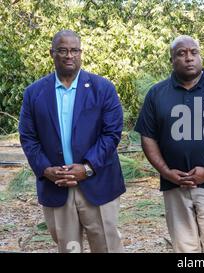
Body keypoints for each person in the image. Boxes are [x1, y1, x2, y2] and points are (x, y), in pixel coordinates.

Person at [134, 35, 204, 253]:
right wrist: (167, 172)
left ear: (200, 56)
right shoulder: (156, 94)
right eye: (181, 53)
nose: (189, 58)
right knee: (184, 249)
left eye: (193, 52)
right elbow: (147, 138)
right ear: (172, 60)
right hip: (174, 186)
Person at [19, 30, 126, 253]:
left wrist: (87, 168)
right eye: (63, 50)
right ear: (52, 53)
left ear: (81, 53)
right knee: (68, 249)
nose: (69, 55)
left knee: (107, 246)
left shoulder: (103, 88)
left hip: (97, 182)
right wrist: (46, 169)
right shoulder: (34, 93)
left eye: (74, 50)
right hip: (56, 185)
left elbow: (112, 133)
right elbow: (29, 137)